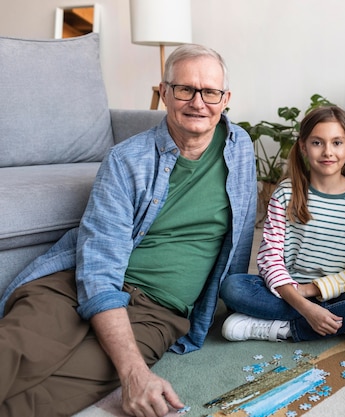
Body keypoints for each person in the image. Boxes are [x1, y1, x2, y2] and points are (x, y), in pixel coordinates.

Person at [0, 44, 257, 417]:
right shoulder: (126, 160)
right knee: (16, 349)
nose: (198, 102)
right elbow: (100, 268)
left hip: (156, 313)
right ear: (165, 92)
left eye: (210, 92)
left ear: (225, 98)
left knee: (51, 396)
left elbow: (243, 232)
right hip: (77, 283)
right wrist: (135, 373)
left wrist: (235, 302)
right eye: (185, 89)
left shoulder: (240, 148)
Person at [220, 106, 345, 346]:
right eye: (317, 143)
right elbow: (269, 259)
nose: (328, 152)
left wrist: (309, 291)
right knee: (232, 287)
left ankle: (282, 328)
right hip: (286, 291)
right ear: (303, 146)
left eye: (337, 143)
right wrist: (302, 303)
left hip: (337, 292)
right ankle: (343, 323)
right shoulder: (285, 194)